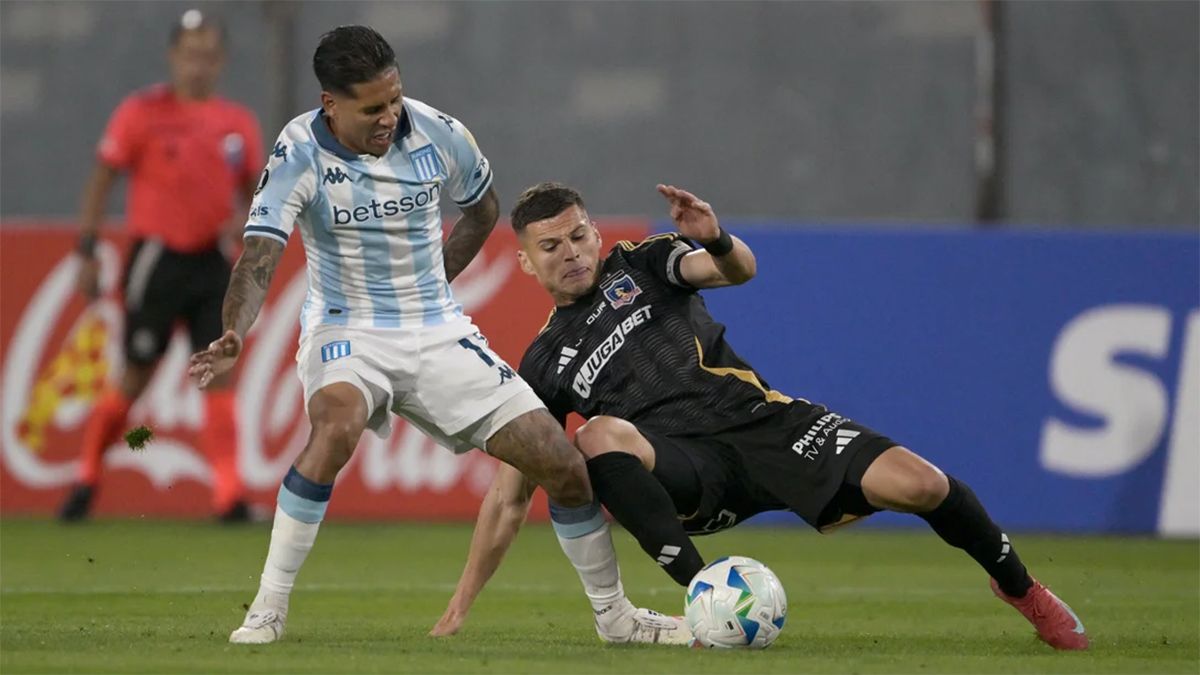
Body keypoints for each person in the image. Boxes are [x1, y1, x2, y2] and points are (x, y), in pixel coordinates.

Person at [187, 26, 687, 646]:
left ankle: (615, 617)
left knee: (562, 465)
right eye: (372, 108)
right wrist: (234, 332)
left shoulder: (436, 131)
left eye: (394, 99)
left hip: (433, 327)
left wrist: (436, 279)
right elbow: (259, 256)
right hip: (348, 327)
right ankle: (266, 608)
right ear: (330, 104)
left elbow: (482, 208)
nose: (389, 116)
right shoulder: (297, 154)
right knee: (335, 428)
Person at [432, 182, 1090, 651]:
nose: (571, 252)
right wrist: (463, 599)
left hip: (765, 426)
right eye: (551, 246)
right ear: (523, 261)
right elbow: (509, 491)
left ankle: (1022, 589)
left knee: (923, 484)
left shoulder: (643, 264)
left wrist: (715, 236)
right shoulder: (544, 361)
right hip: (688, 472)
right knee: (597, 435)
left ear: (596, 233)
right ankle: (703, 596)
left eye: (579, 235)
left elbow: (736, 270)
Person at [59, 9, 261, 523]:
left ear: (221, 62)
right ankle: (86, 477)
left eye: (208, 56)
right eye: (191, 55)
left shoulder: (236, 123)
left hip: (213, 263)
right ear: (174, 57)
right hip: (157, 260)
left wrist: (246, 221)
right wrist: (86, 247)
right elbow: (104, 176)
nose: (199, 66)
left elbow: (257, 193)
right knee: (135, 376)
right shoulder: (142, 113)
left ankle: (228, 495)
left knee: (217, 372)